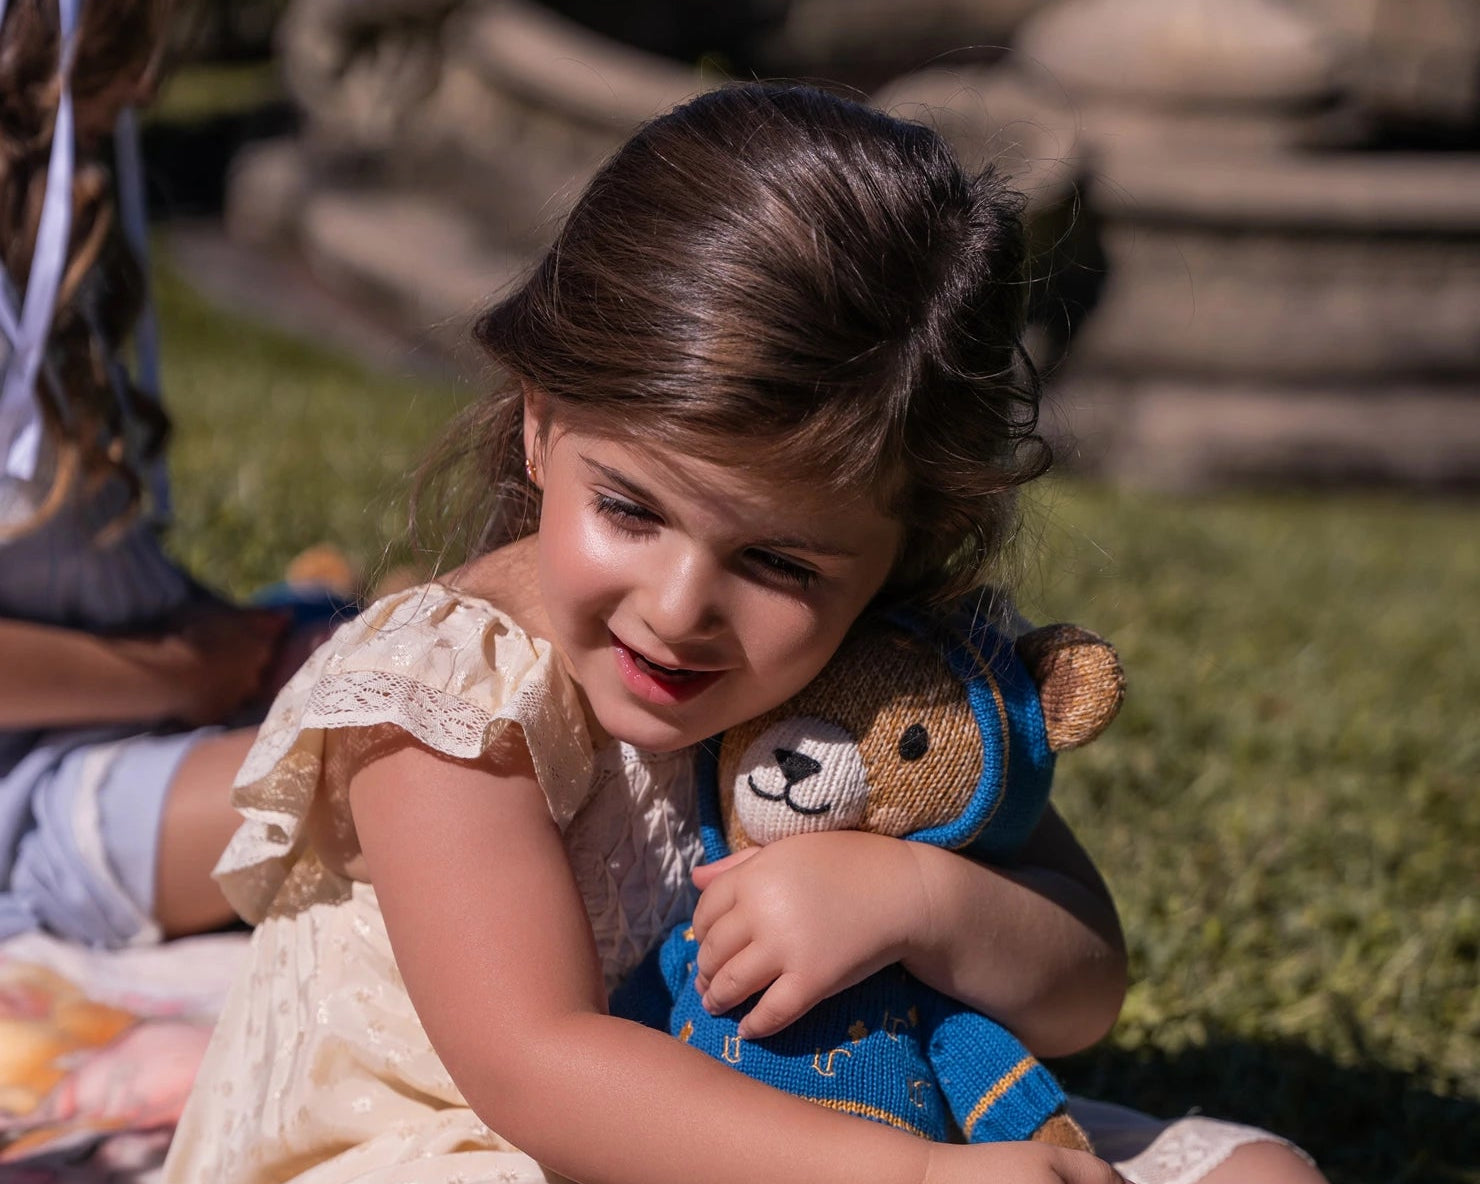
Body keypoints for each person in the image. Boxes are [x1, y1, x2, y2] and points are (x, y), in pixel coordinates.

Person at [163, 84, 1324, 1184]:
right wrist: (916, 1171)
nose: (677, 609)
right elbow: (538, 1067)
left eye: (777, 562)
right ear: (540, 422)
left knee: (1261, 1172)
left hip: (825, 1115)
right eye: (629, 508)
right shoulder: (448, 697)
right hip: (478, 1138)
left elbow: (1082, 990)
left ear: (903, 549)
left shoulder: (875, 679)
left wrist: (914, 898)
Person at [0, 0, 297, 950]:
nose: (144, 89)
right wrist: (182, 671)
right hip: (34, 797)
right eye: (90, 122)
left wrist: (224, 637)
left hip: (137, 700)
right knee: (389, 771)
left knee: (446, 655)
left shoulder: (42, 301)